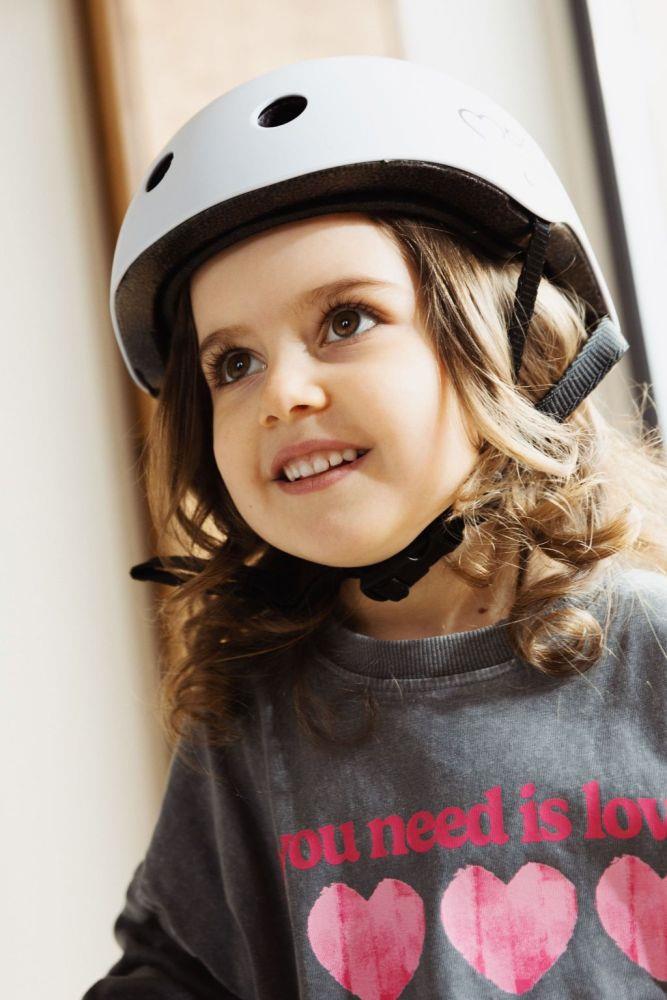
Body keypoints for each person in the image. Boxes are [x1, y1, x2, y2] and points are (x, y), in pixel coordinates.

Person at [83, 56, 667, 998]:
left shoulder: (653, 657)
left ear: (510, 343)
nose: (283, 392)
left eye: (347, 320)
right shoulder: (252, 722)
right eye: (233, 364)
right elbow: (177, 972)